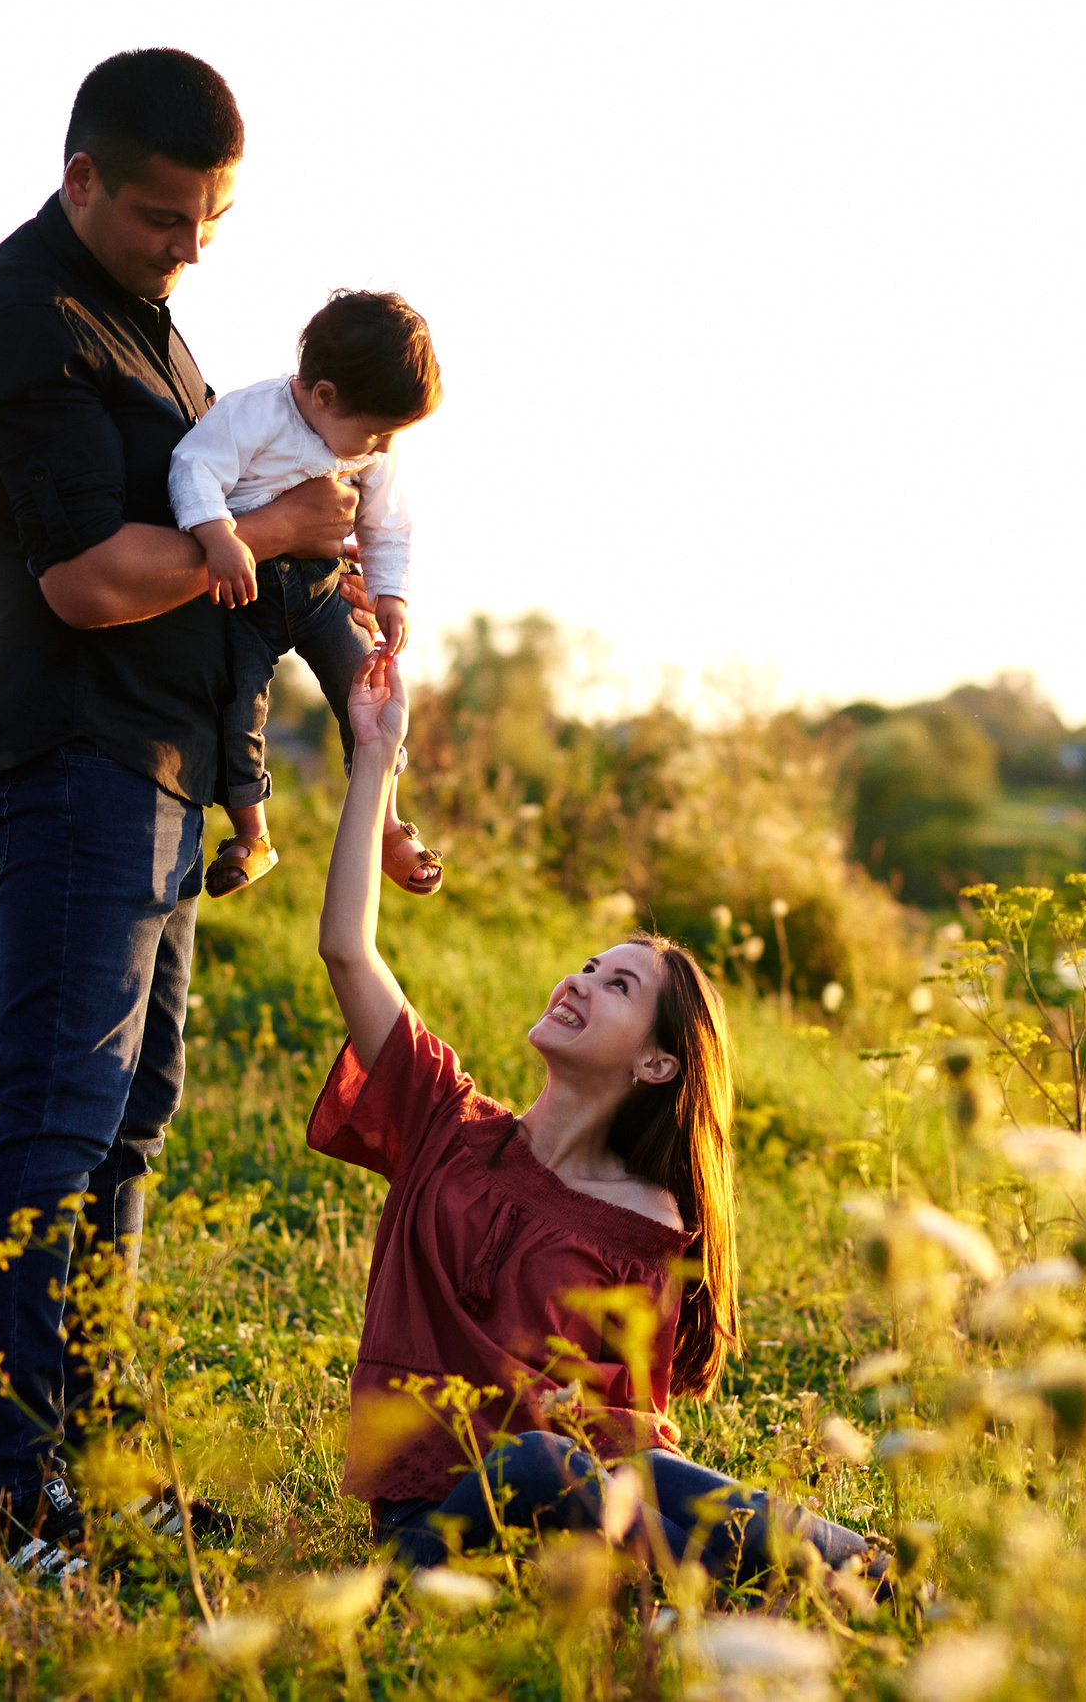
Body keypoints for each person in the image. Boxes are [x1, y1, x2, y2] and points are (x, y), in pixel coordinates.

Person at [0, 47, 364, 1565]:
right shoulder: (29, 330)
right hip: (75, 754)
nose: (191, 246)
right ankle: (5, 1497)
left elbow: (227, 584)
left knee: (130, 1125)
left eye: (215, 221)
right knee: (56, 1119)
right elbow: (95, 580)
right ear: (83, 180)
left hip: (165, 765)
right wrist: (279, 522)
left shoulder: (149, 324)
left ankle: (98, 1466)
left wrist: (245, 779)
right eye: (165, 215)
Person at [309, 658, 879, 1587]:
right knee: (538, 1462)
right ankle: (729, 1592)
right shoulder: (446, 1121)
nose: (578, 980)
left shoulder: (643, 1225)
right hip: (431, 1532)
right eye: (587, 964)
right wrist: (377, 758)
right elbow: (346, 948)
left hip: (562, 1529)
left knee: (608, 1467)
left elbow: (628, 1444)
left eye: (618, 985)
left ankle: (857, 1569)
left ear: (656, 1064)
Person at [167, 289, 447, 899]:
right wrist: (218, 537)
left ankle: (384, 819)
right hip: (247, 592)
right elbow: (193, 469)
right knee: (237, 704)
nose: (379, 449)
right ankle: (251, 832)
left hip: (321, 591)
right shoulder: (253, 416)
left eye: (390, 437)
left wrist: (392, 595)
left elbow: (386, 523)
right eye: (373, 434)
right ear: (324, 397)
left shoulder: (373, 444)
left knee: (366, 692)